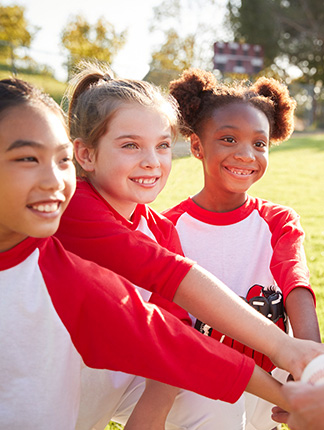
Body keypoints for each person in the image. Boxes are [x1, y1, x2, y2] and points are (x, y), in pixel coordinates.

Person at [0, 76, 303, 429]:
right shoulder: (72, 210)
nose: (152, 161)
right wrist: (287, 352)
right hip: (63, 377)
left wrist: (154, 409)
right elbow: (167, 276)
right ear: (87, 154)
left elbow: (171, 332)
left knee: (208, 400)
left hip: (120, 377)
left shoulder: (161, 229)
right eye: (130, 145)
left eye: (162, 146)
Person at [163, 68, 321, 430]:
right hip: (202, 384)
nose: (247, 154)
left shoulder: (277, 220)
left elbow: (296, 285)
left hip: (271, 376)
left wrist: (311, 368)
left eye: (259, 143)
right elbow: (173, 328)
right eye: (229, 139)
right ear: (197, 146)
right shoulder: (168, 228)